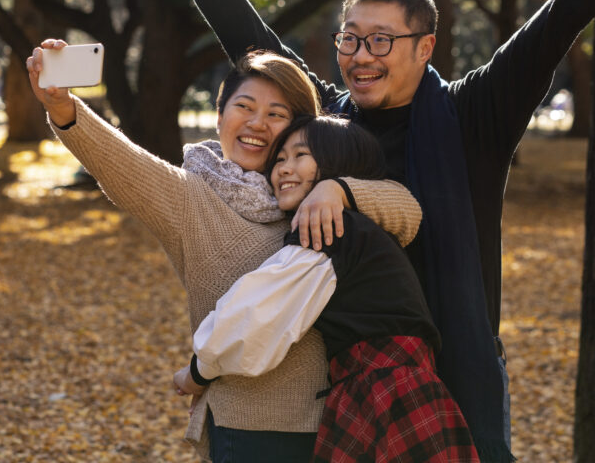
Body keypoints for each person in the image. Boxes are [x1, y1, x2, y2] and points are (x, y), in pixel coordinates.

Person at [160, 0, 595, 462]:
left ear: (425, 46)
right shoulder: (327, 122)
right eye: (350, 38)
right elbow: (254, 42)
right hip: (348, 382)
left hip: (457, 369)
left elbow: (544, 38)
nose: (360, 56)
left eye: (381, 41)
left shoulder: (472, 116)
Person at [26, 45, 422, 462]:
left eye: (276, 114)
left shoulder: (310, 187)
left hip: (345, 422)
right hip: (252, 429)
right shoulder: (191, 199)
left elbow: (408, 213)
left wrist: (338, 190)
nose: (257, 123)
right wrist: (64, 108)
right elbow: (119, 163)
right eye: (244, 107)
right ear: (220, 117)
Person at [173, 115, 480, 463]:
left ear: (337, 162)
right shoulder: (358, 228)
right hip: (390, 385)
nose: (284, 169)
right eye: (279, 159)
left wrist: (197, 372)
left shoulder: (328, 228)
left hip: (387, 391)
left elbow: (257, 315)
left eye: (300, 155)